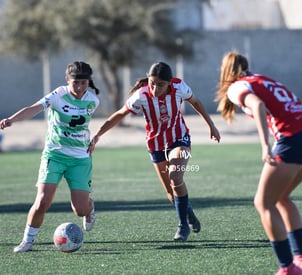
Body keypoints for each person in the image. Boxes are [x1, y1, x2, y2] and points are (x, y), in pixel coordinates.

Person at [89, 62, 220, 242]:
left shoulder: (179, 87)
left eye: (160, 84)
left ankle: (182, 227)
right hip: (155, 145)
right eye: (152, 83)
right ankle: (187, 211)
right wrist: (97, 134)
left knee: (175, 176)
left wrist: (211, 125)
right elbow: (120, 114)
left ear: (168, 83)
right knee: (169, 191)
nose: (154, 87)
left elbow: (196, 102)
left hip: (179, 139)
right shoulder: (141, 96)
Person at [215, 51, 302, 275]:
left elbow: (258, 105)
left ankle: (287, 267)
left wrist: (265, 145)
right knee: (281, 198)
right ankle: (299, 258)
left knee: (263, 203)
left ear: (225, 72)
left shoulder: (237, 86)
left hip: (292, 139)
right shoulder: (262, 79)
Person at [0, 61, 100, 253]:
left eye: (83, 83)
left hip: (80, 159)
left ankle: (90, 208)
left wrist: (91, 140)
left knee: (80, 209)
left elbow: (81, 129)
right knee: (43, 201)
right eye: (75, 83)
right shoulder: (58, 95)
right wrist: (11, 120)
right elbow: (34, 108)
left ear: (89, 82)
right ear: (66, 80)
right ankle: (27, 241)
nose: (79, 88)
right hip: (55, 154)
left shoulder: (93, 101)